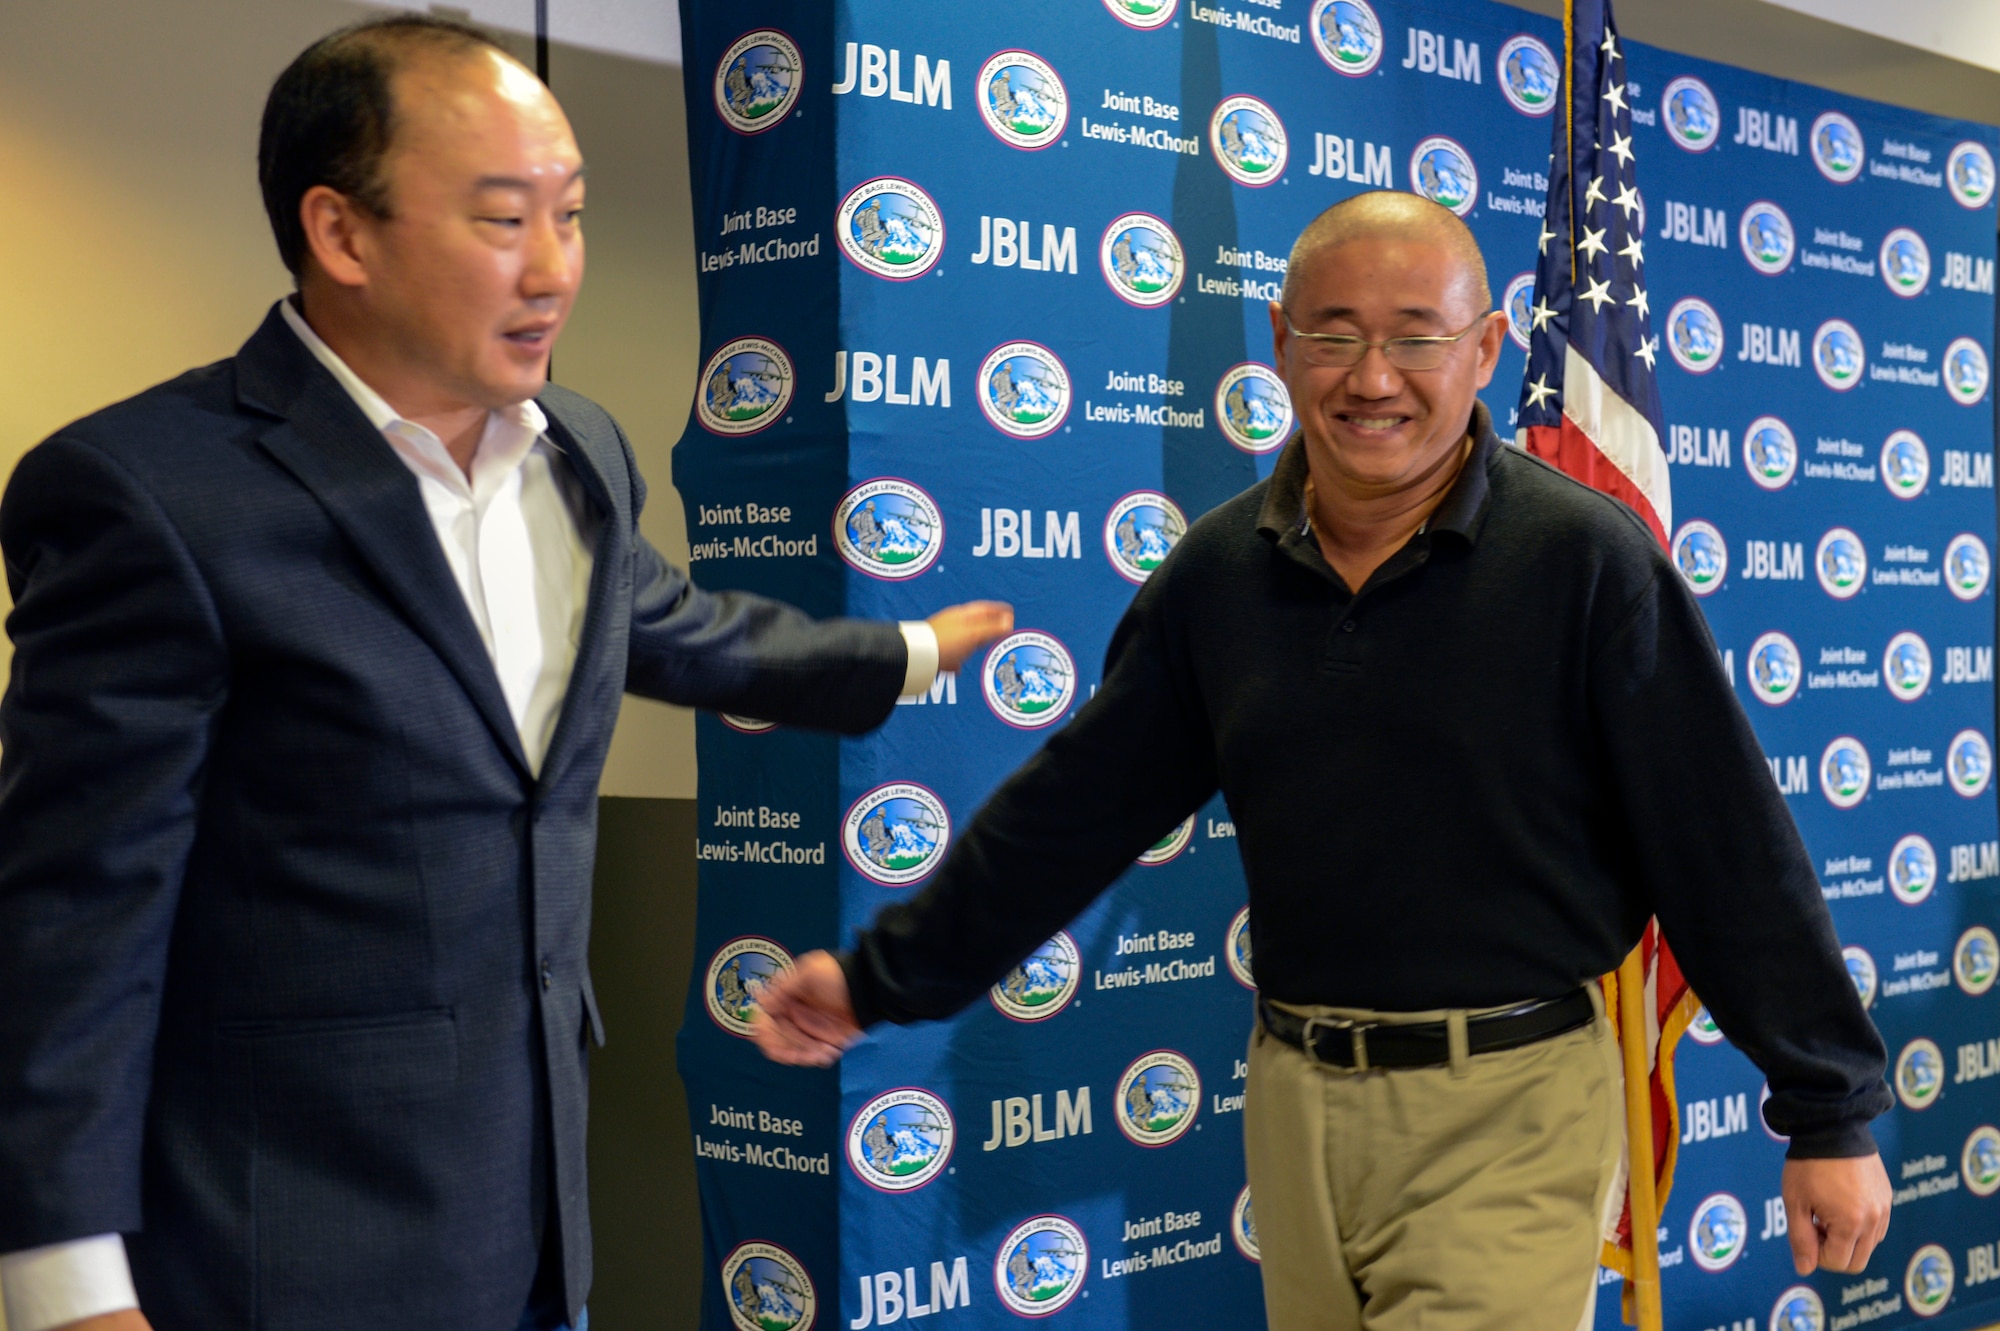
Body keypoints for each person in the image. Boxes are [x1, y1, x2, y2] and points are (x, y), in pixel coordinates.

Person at [0, 17, 1009, 1331]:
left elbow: (671, 625)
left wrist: (912, 653)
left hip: (531, 1214)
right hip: (278, 1242)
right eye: (499, 220)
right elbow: (75, 920)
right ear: (342, 232)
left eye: (573, 216)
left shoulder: (576, 444)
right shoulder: (151, 495)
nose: (553, 270)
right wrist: (65, 1280)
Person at [754, 192, 1894, 1331]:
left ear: (1484, 347)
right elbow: (1071, 813)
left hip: (1509, 1107)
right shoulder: (1214, 578)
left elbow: (1724, 844)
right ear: (1280, 342)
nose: (1371, 376)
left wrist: (1828, 1107)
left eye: (1413, 335)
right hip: (1294, 1099)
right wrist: (879, 977)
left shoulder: (1585, 562)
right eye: (1334, 333)